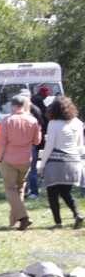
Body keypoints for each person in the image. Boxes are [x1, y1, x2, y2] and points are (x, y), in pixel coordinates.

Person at [38, 95, 85, 229]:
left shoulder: (54, 123)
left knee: (52, 192)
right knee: (66, 192)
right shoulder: (77, 122)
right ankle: (77, 214)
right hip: (74, 162)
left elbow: (50, 145)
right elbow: (80, 145)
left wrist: (42, 164)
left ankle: (58, 222)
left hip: (57, 162)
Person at [0, 94, 41, 231]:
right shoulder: (33, 121)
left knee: (10, 189)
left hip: (9, 159)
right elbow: (37, 141)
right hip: (26, 159)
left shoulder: (7, 121)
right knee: (20, 189)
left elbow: (1, 143)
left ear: (12, 105)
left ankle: (24, 217)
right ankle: (15, 220)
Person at [24, 88, 47, 199]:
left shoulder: (35, 110)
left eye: (25, 96)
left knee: (32, 168)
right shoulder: (18, 109)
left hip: (32, 144)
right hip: (21, 144)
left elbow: (40, 127)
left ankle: (34, 191)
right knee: (22, 168)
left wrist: (36, 142)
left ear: (29, 97)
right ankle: (24, 190)